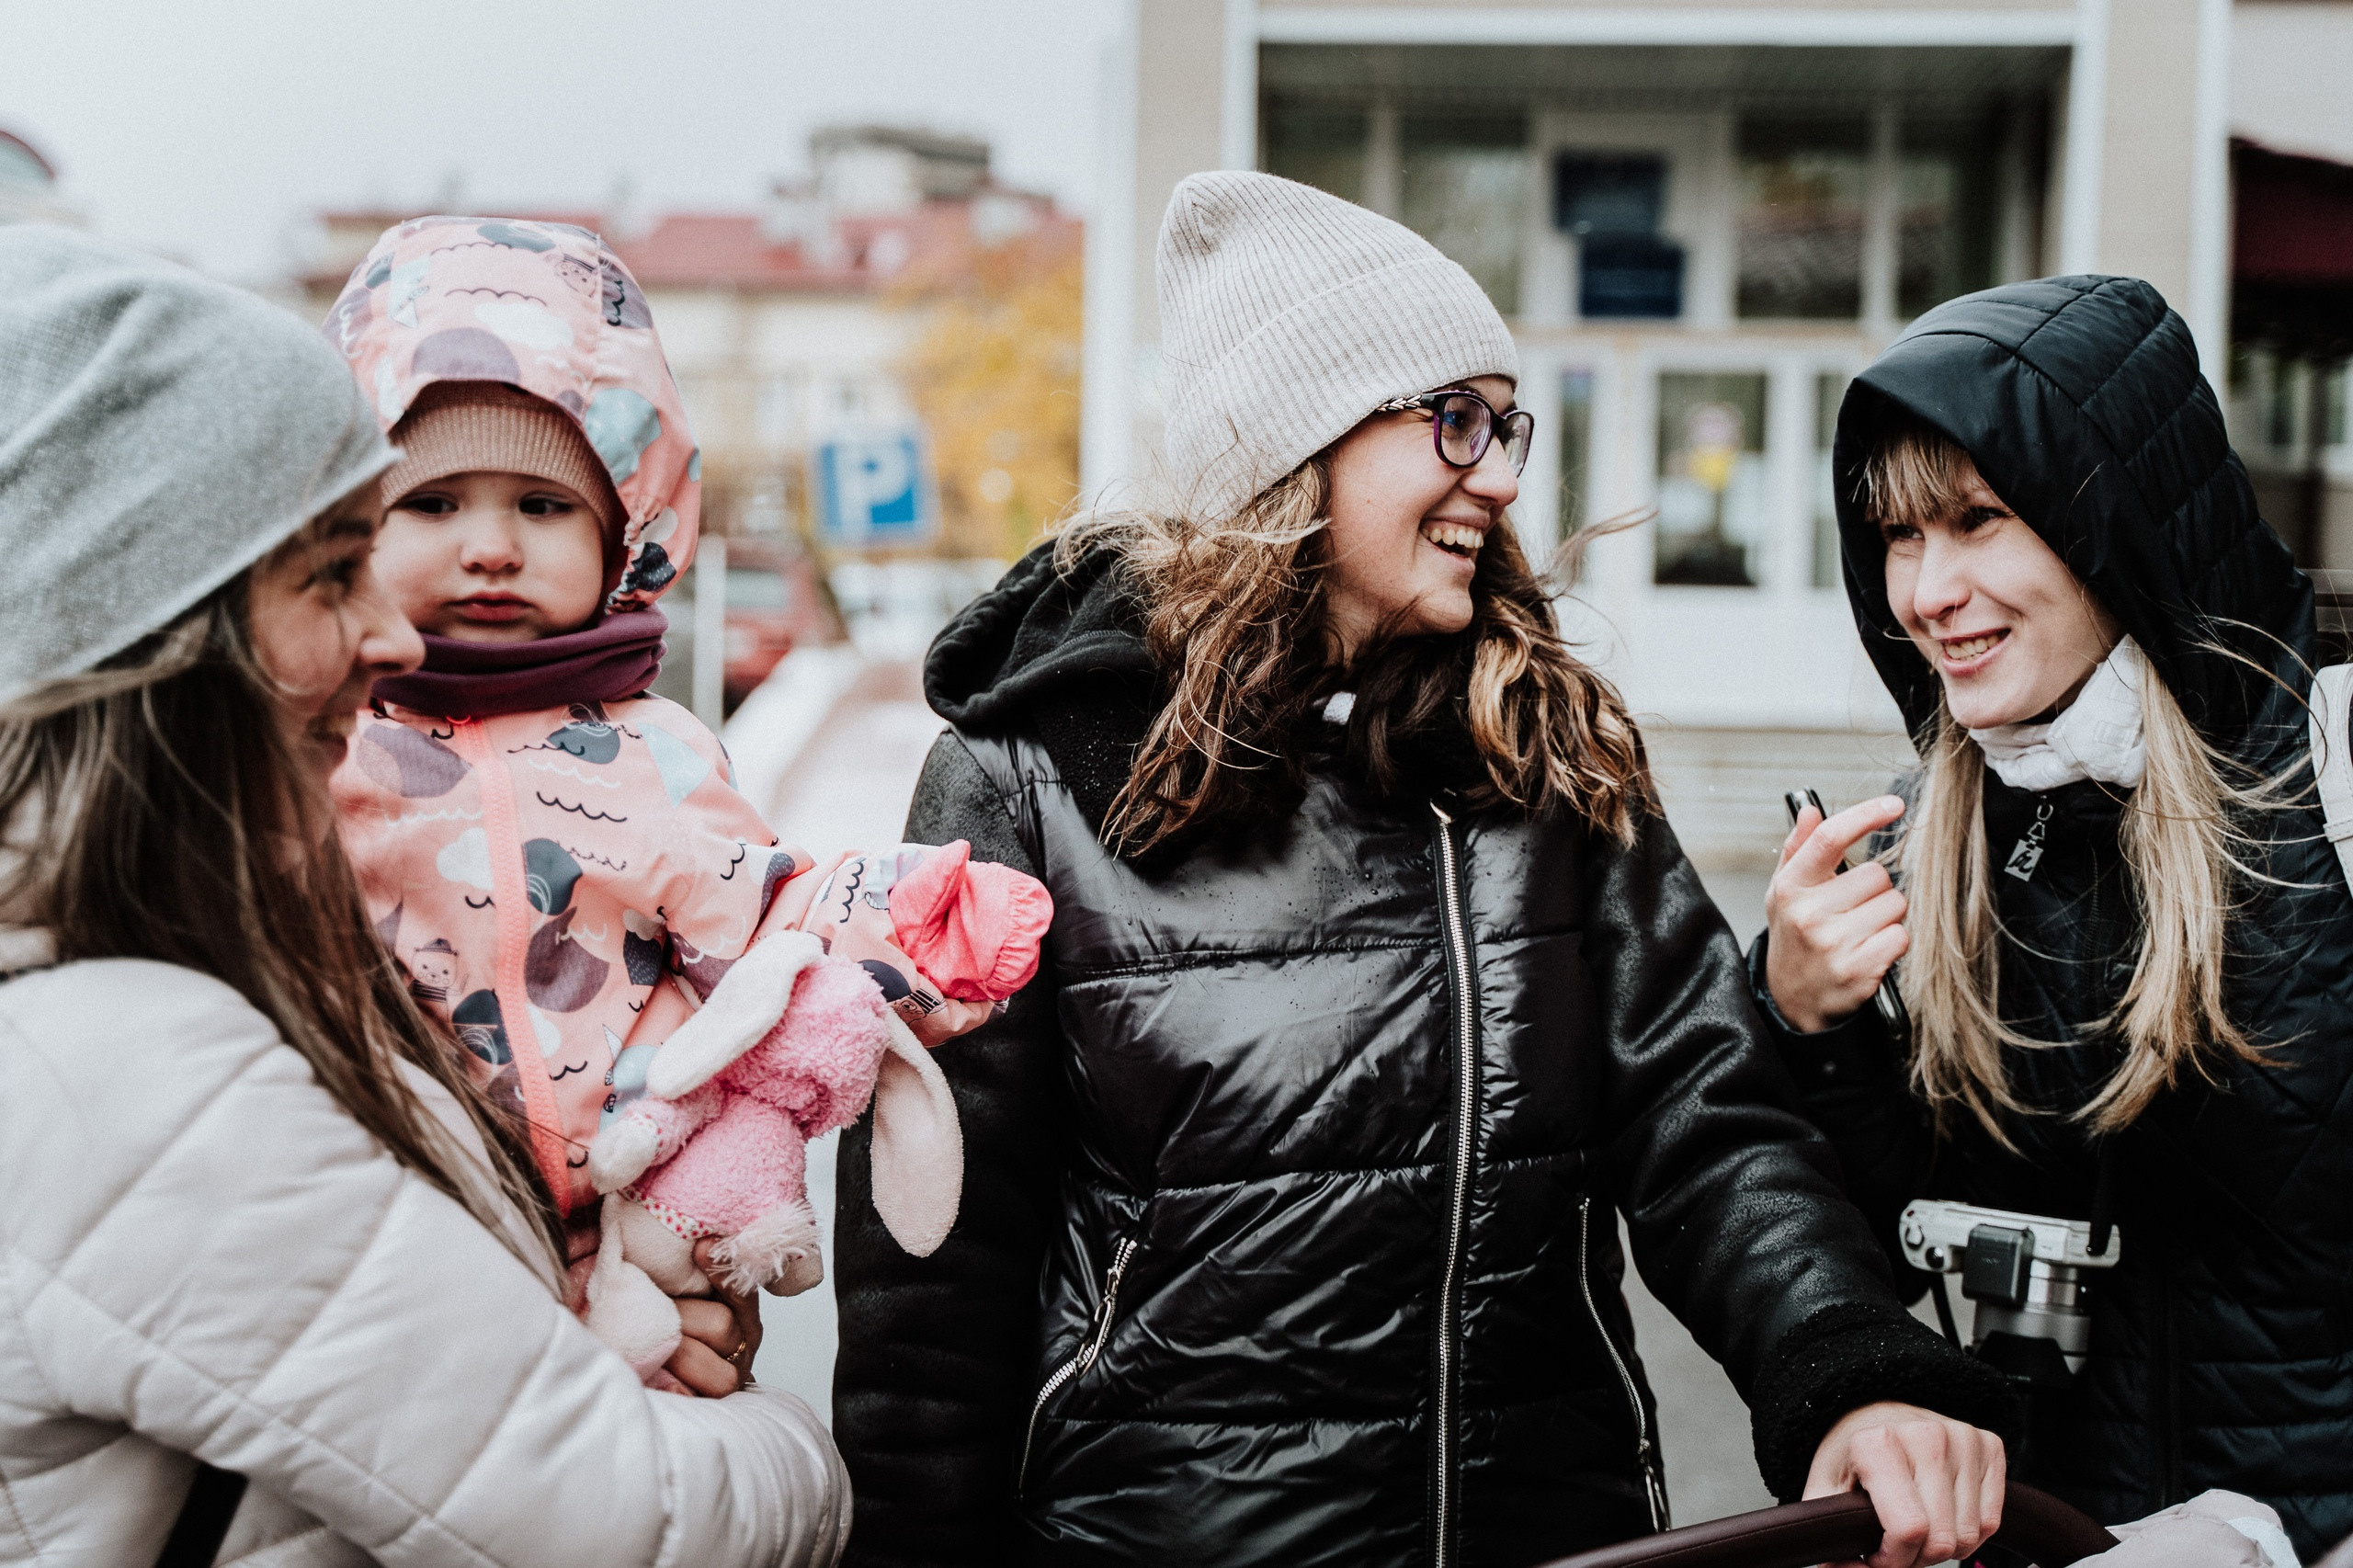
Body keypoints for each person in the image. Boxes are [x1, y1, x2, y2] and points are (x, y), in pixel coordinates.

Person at [828, 171, 2017, 1568]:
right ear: (1296, 443)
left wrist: (1851, 1363)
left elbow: (1710, 1122)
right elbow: (931, 1286)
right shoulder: (1032, 775)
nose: (1504, 475)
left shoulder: (1548, 752)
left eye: (1504, 424)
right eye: (1453, 420)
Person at [0, 225, 847, 1563]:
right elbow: (619, 1522)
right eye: (335, 571)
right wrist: (803, 1447)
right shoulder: (127, 1080)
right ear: (170, 630)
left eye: (545, 504)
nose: (397, 634)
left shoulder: (169, 964)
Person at [323, 217, 1030, 1361]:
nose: (492, 546)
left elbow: (753, 917)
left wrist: (905, 921)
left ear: (625, 529)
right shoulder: (321, 741)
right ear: (348, 524)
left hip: (621, 1227)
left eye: (544, 506)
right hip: (388, 1236)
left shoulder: (655, 747)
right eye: (435, 503)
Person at [1756, 276, 2353, 1557]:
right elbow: (1917, 1229)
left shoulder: (2336, 781)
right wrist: (1813, 1020)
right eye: (1899, 536)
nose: (1927, 589)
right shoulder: (1946, 836)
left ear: (2116, 521)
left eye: (1978, 519)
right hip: (2062, 1530)